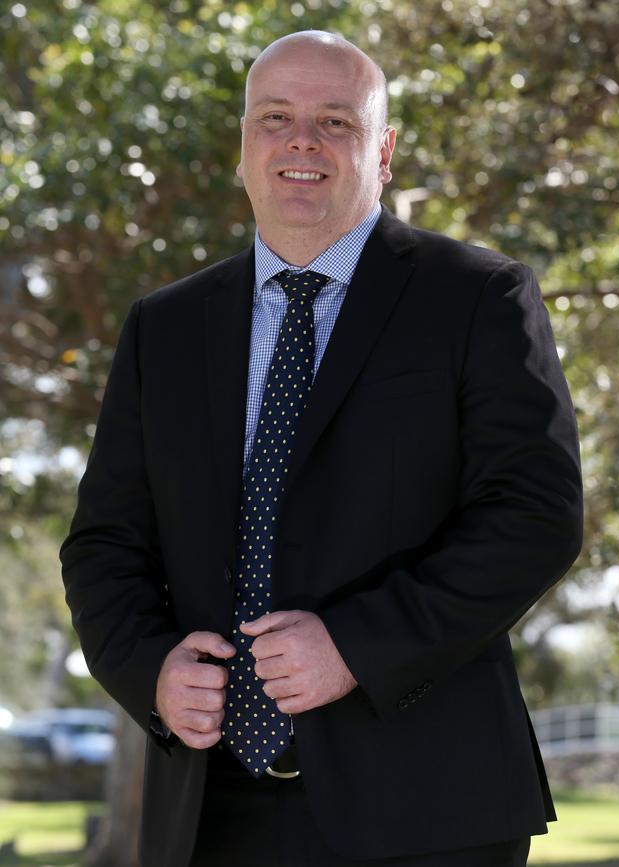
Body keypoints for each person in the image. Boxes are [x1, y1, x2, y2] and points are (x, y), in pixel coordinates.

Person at [60, 30, 583, 867]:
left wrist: (356, 646)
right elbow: (105, 543)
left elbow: (535, 516)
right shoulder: (165, 328)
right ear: (243, 148)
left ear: (383, 150)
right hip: (208, 811)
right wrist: (148, 669)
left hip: (429, 809)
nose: (301, 140)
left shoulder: (480, 297)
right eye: (276, 117)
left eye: (335, 121)